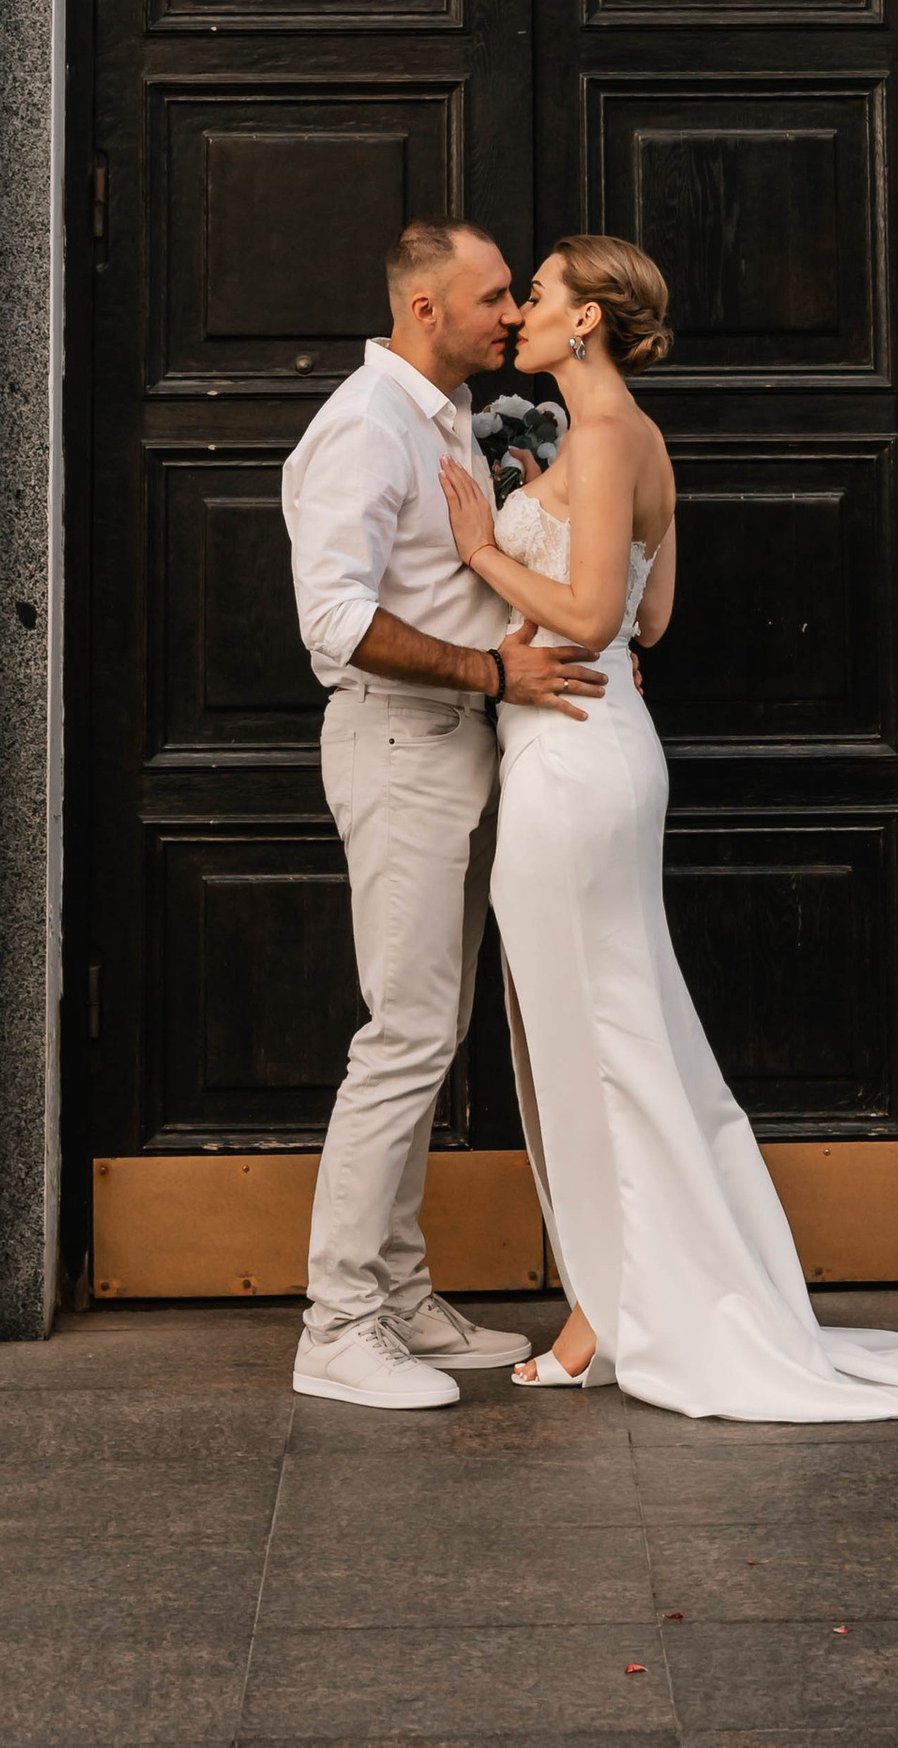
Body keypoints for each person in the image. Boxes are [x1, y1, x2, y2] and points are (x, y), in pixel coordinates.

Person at [438, 232, 898, 1423]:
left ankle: (606, 1314)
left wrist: (486, 545)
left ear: (584, 319)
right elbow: (654, 619)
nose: (520, 312)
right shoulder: (630, 437)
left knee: (597, 1042)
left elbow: (593, 617)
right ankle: (613, 1301)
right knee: (613, 1034)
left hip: (571, 760)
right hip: (602, 745)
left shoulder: (602, 436)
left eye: (536, 295)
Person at [280, 216, 610, 1409]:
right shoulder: (366, 428)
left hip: (458, 745)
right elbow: (333, 619)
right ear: (425, 309)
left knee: (432, 1029)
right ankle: (338, 1325)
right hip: (399, 745)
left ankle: (401, 1295)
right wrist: (489, 672)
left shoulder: (444, 416)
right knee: (405, 1036)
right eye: (491, 298)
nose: (511, 315)